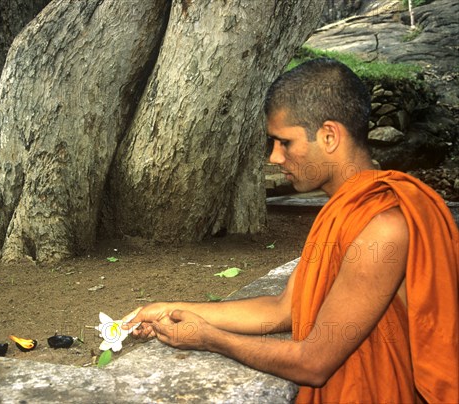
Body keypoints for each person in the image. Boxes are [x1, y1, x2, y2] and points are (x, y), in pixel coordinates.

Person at [123, 58, 458, 403]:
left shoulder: (383, 227)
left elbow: (314, 364)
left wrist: (209, 338)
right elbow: (285, 309)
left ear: (329, 136)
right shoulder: (342, 211)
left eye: (284, 142)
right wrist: (167, 309)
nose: (274, 157)